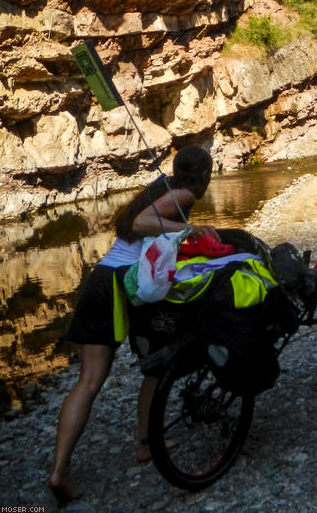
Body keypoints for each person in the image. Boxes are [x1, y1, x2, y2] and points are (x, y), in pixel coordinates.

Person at [48, 146, 217, 504]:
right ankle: (143, 443)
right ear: (203, 175)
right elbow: (142, 224)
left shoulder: (162, 186)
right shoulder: (183, 195)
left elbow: (143, 229)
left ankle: (59, 471)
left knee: (88, 380)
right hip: (121, 286)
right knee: (156, 367)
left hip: (100, 279)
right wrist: (189, 227)